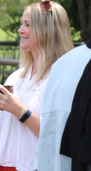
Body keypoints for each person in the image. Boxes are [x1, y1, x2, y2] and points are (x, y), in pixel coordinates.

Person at [0, 0, 73, 171]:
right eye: (22, 23)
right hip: (2, 166)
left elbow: (60, 135)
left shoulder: (63, 79)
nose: (20, 30)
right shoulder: (16, 78)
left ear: (48, 31)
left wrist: (19, 111)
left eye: (27, 24)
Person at [34, 40, 91, 171]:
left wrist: (21, 113)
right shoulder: (64, 64)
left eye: (28, 25)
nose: (21, 31)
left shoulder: (65, 63)